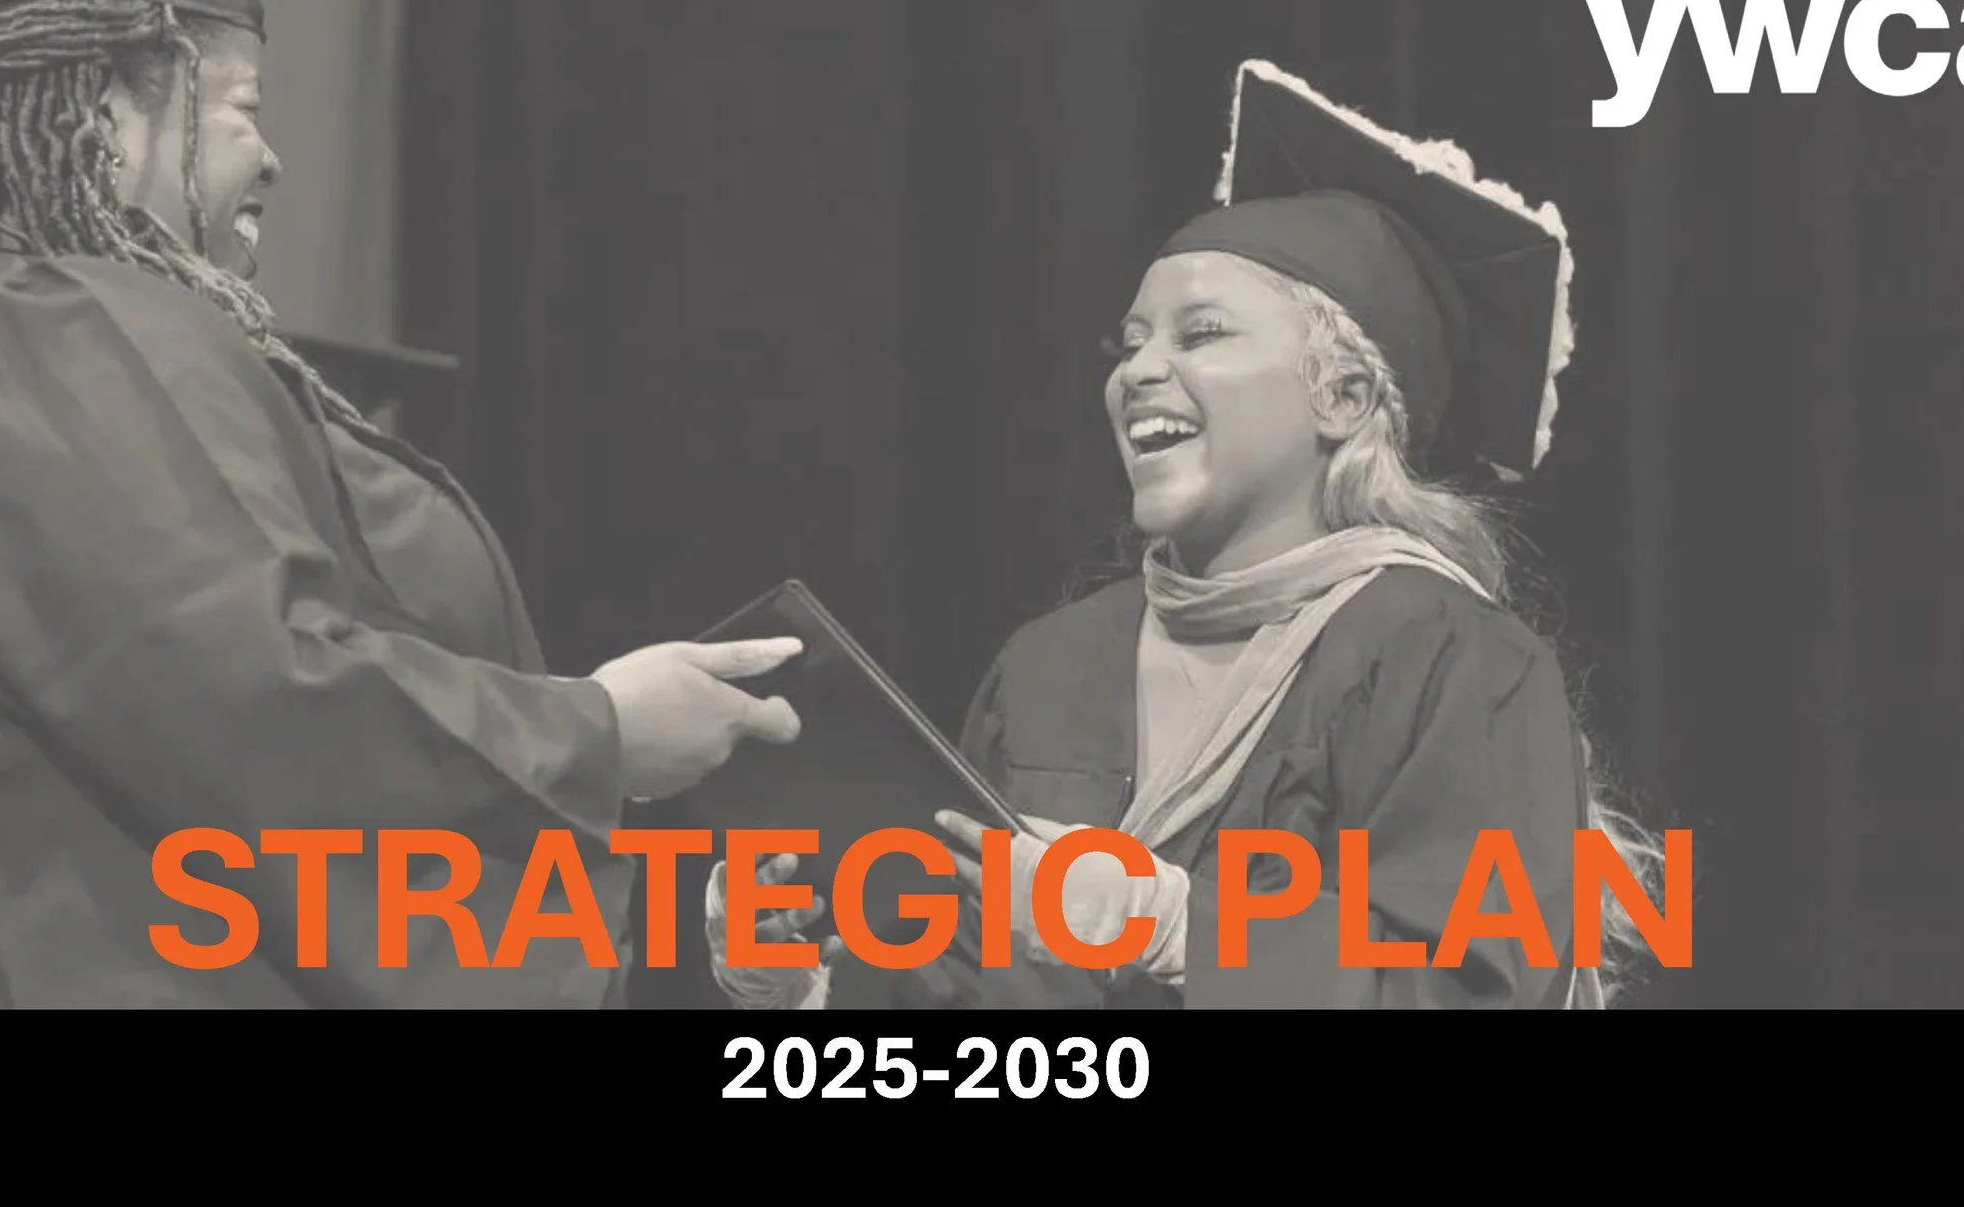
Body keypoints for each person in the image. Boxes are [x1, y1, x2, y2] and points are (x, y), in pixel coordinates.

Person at [0, 0, 802, 1009]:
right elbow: (260, 699)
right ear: (100, 109)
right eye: (241, 106)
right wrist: (595, 732)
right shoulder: (45, 333)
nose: (272, 156)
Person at [705, 59, 1669, 1010]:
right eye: (1130, 343)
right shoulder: (1051, 666)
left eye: (1199, 335)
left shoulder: (1446, 658)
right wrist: (802, 983)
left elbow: (1470, 989)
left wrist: (1173, 927)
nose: (1138, 371)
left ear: (1343, 397)